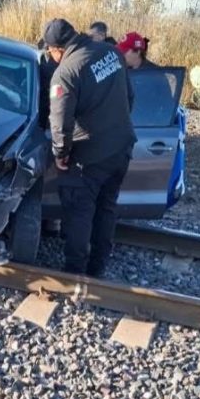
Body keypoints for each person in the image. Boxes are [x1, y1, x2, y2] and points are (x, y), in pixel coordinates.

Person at [43, 18, 136, 277]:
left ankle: (74, 273)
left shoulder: (66, 72)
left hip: (89, 157)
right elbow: (130, 97)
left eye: (50, 52)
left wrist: (61, 154)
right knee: (106, 209)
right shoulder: (111, 53)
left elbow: (60, 122)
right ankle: (98, 270)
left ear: (57, 49)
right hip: (122, 148)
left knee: (79, 214)